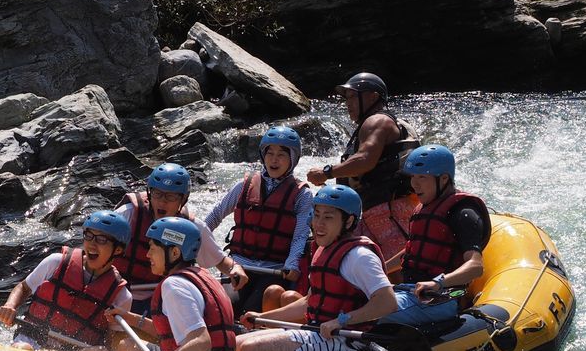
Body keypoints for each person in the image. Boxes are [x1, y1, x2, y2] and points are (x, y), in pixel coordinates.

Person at [234, 185, 400, 351]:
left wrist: (342, 320)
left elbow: (387, 302)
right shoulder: (324, 249)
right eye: (317, 215)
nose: (319, 224)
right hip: (319, 335)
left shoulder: (360, 257)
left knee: (251, 349)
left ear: (348, 221)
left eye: (328, 218)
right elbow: (309, 301)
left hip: (344, 343)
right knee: (238, 343)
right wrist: (263, 317)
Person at [88, 217, 238, 351]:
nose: (148, 255)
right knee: (127, 346)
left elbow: (201, 342)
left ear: (174, 252)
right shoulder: (203, 276)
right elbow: (175, 335)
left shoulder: (174, 286)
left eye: (153, 248)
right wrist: (131, 319)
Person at [306, 72, 420, 262]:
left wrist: (327, 173)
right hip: (376, 210)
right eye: (346, 98)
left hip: (389, 210)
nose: (347, 103)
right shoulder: (375, 123)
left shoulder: (377, 121)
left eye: (353, 96)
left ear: (373, 96)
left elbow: (365, 159)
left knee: (395, 269)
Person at [0, 210, 134, 351]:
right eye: (89, 236)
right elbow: (24, 287)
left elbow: (112, 339)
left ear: (118, 249)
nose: (92, 244)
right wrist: (11, 305)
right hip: (32, 337)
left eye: (101, 239)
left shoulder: (122, 296)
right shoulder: (55, 262)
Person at [204, 125, 313, 314]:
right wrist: (198, 244)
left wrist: (292, 263)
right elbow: (214, 217)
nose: (274, 159)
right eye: (269, 153)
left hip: (275, 270)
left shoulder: (302, 195)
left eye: (281, 155)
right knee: (220, 310)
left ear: (293, 159)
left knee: (249, 312)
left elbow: (300, 236)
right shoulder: (244, 185)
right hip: (238, 266)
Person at [380, 144, 491, 328]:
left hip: (441, 299)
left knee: (367, 314)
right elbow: (411, 251)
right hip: (409, 293)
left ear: (444, 179)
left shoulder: (463, 213)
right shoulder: (424, 208)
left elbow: (475, 266)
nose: (415, 184)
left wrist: (438, 283)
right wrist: (379, 269)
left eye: (422, 177)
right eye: (413, 177)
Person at [112, 162, 232, 313]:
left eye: (171, 196)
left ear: (183, 199)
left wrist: (234, 269)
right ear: (149, 194)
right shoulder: (128, 215)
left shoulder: (192, 228)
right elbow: (96, 245)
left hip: (161, 298)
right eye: (158, 194)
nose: (162, 201)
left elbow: (220, 261)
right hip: (119, 294)